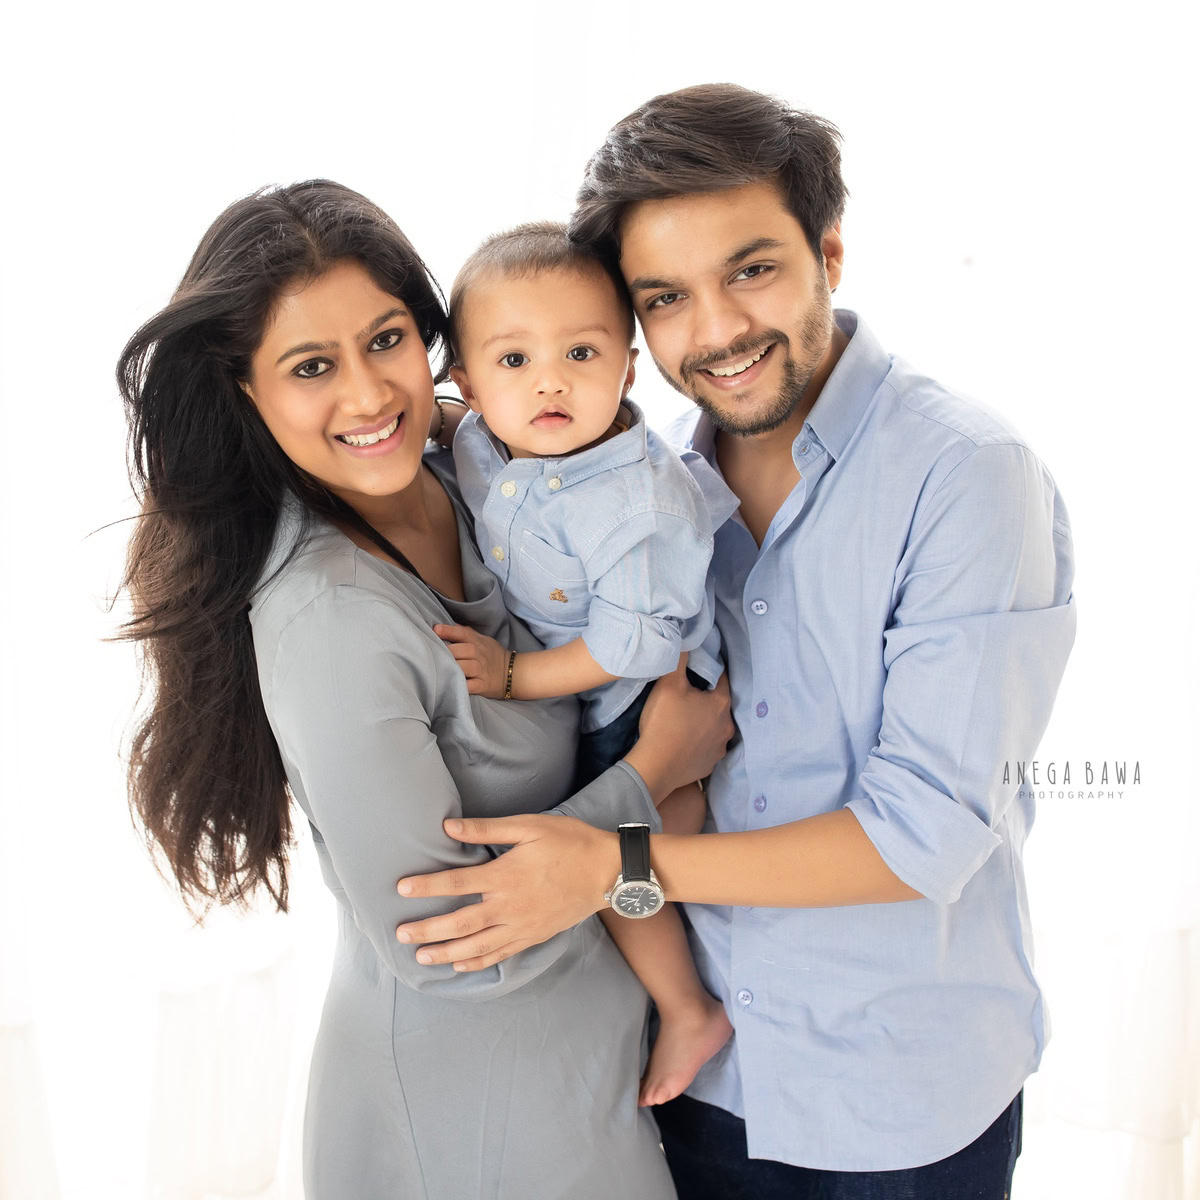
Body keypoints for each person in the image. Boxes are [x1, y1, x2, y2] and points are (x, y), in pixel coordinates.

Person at [392, 84, 1077, 1199]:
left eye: (751, 270)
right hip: (695, 1090)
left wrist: (606, 867)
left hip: (895, 1097)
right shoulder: (647, 481)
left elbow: (927, 831)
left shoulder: (965, 476)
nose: (712, 332)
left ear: (830, 252)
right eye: (665, 297)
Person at [116, 179, 731, 1199]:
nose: (369, 396)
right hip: (474, 1115)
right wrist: (658, 767)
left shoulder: (454, 470)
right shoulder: (333, 619)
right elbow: (449, 949)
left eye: (387, 341)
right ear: (246, 393)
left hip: (590, 1076)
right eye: (312, 366)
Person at [436, 220, 734, 1106]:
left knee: (616, 861)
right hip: (587, 673)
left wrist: (516, 676)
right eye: (514, 361)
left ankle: (686, 1009)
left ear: (630, 368)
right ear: (467, 381)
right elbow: (454, 439)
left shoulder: (637, 503)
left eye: (581, 351)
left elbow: (628, 645)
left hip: (644, 688)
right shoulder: (488, 441)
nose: (552, 381)